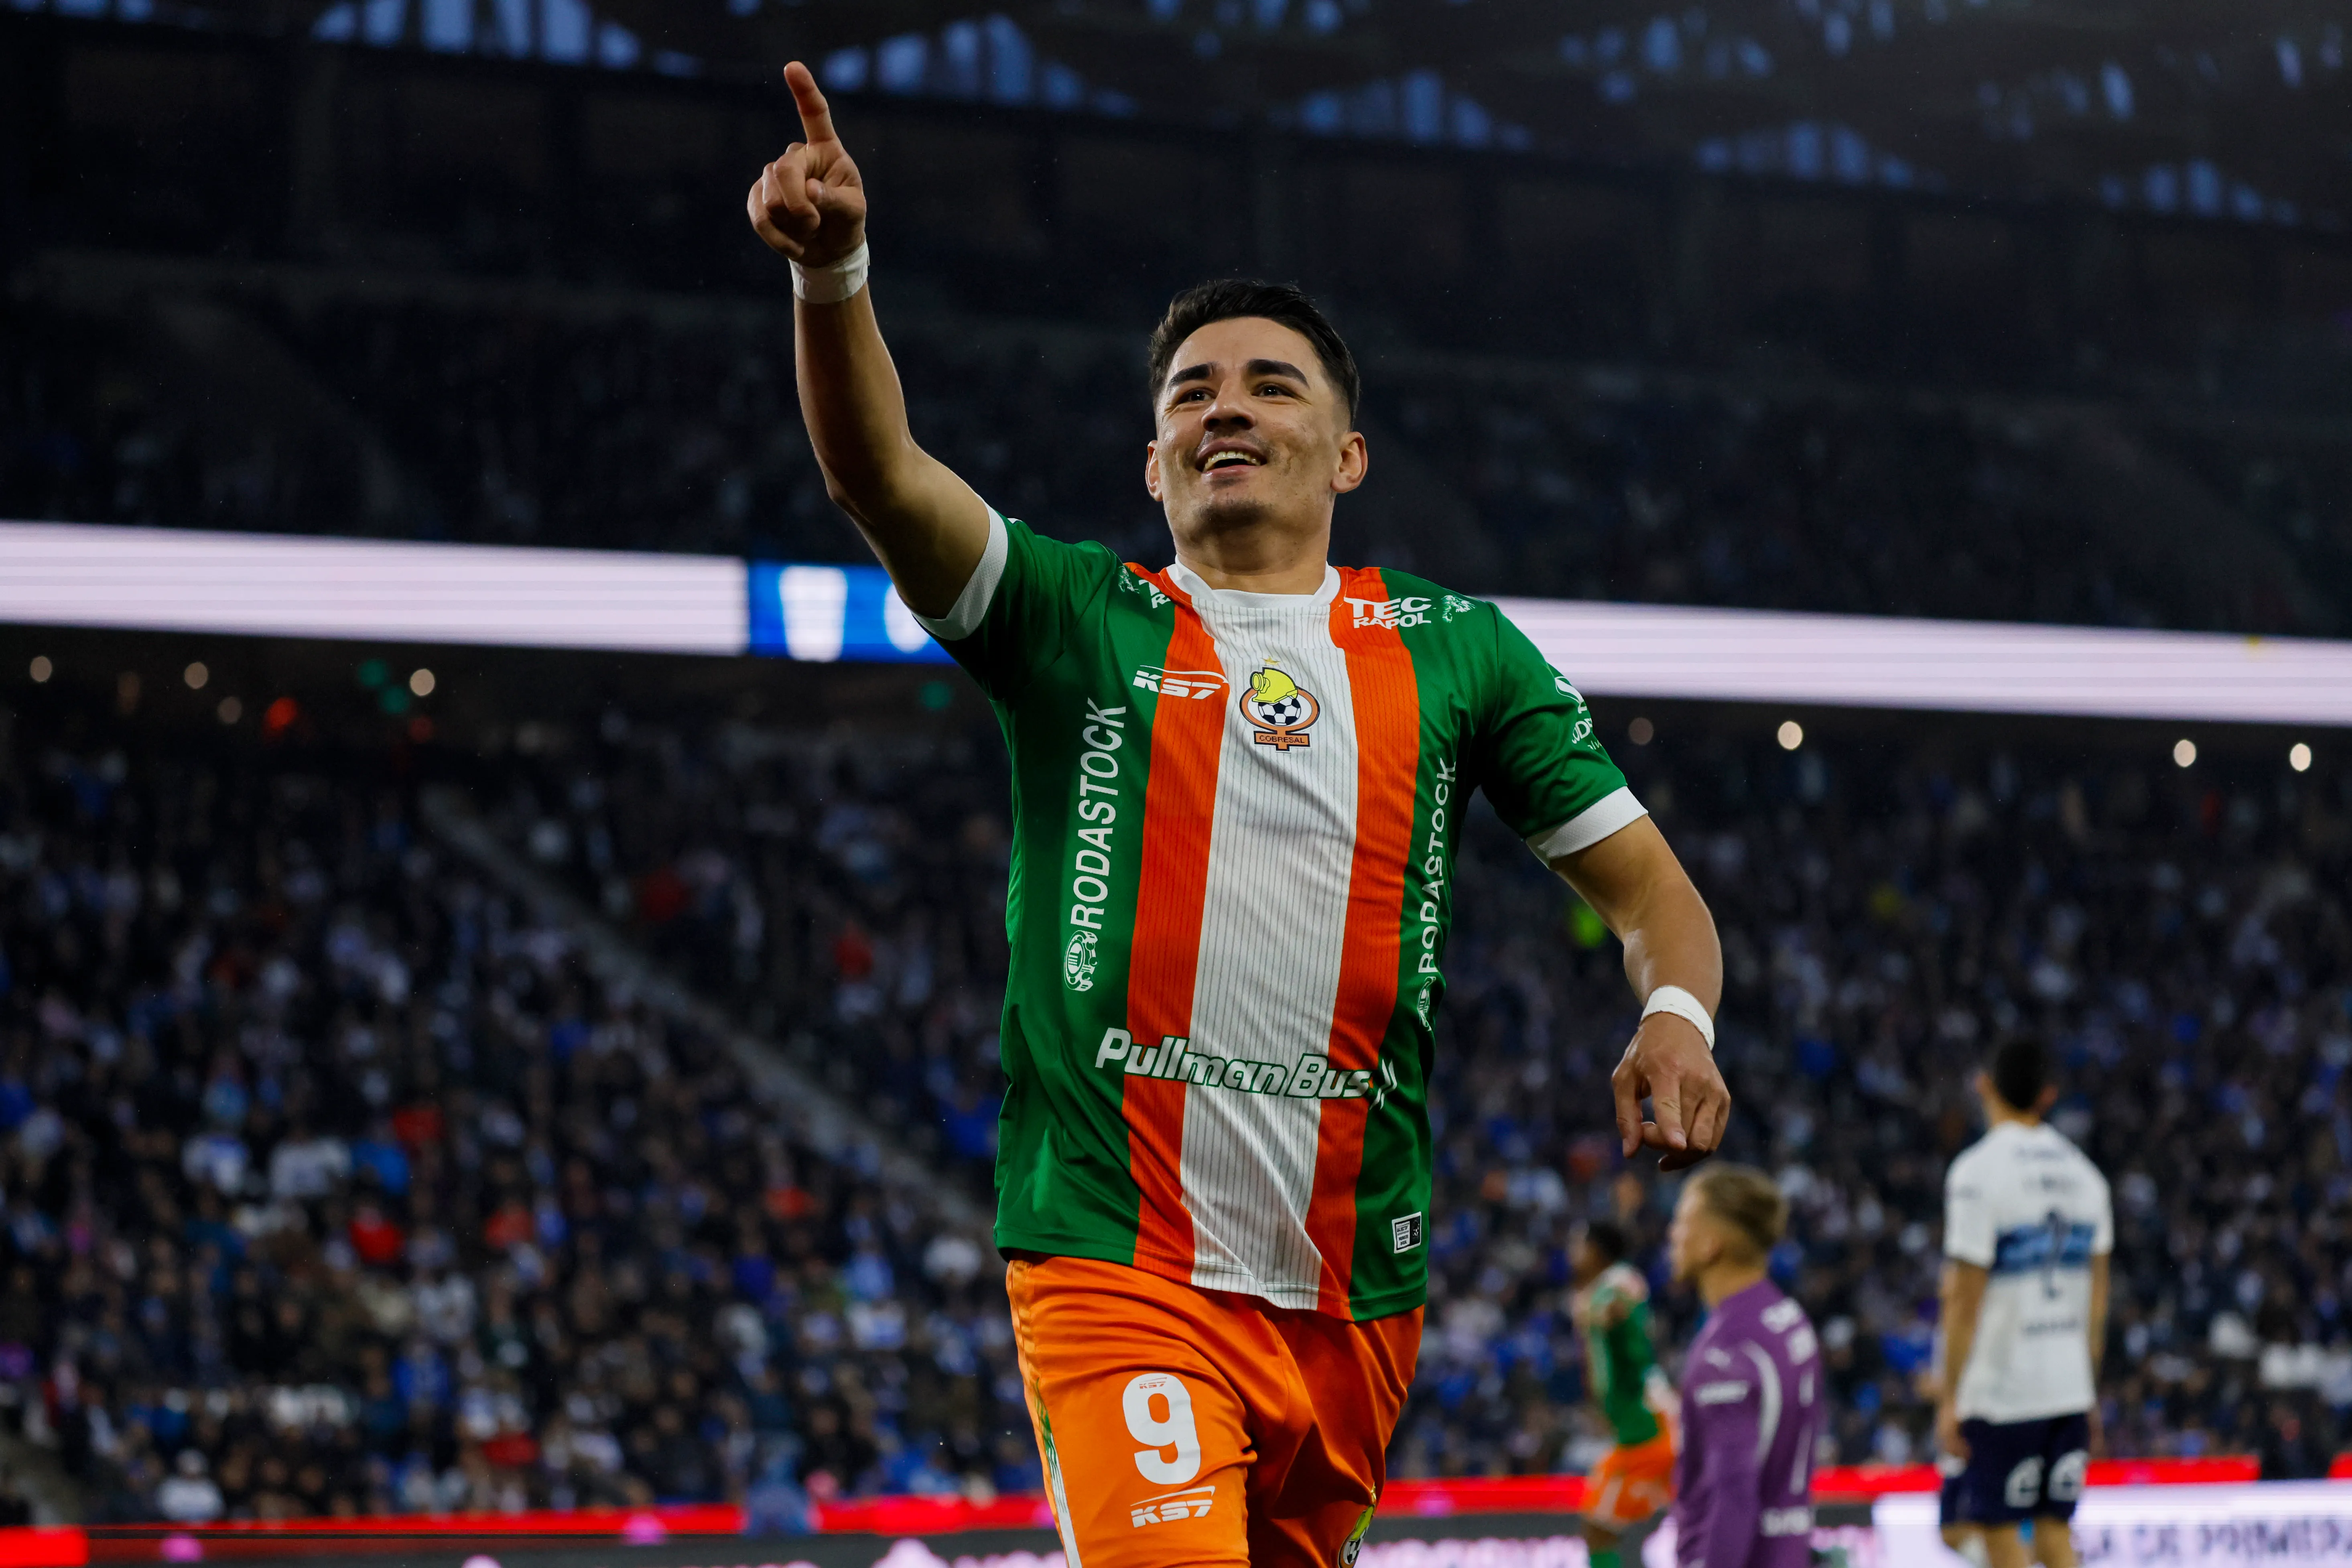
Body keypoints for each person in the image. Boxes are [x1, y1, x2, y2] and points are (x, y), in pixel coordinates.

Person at [748, 62, 1730, 1568]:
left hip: (1351, 1286)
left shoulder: (1454, 649)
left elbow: (1652, 893)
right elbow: (875, 476)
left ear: (1343, 456)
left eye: (1269, 384)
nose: (1225, 407)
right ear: (1151, 467)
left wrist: (1672, 1014)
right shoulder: (1075, 617)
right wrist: (836, 276)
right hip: (1112, 1254)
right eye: (1188, 393)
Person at [1936, 1038, 2113, 1568]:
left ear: (1983, 1085)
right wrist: (2087, 1389)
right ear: (2049, 1095)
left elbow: (1963, 1301)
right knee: (2058, 1535)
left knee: (1999, 1535)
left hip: (2003, 1392)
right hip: (2067, 1388)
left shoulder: (1975, 1174)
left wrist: (1949, 1398)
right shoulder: (2087, 1177)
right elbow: (2096, 1305)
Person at [1665, 1165, 1822, 1568]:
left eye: (1683, 1221)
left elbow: (1734, 1493)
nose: (1673, 1233)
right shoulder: (1787, 1318)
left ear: (1711, 1244)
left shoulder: (1726, 1351)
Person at [1570, 1220, 1676, 1568]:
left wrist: (1604, 1312)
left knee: (1600, 1526)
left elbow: (1622, 1301)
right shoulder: (1600, 1289)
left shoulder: (1616, 1284)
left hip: (1650, 1428)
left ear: (1596, 1250)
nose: (1573, 1254)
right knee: (1599, 1526)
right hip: (1637, 1428)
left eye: (1579, 1245)